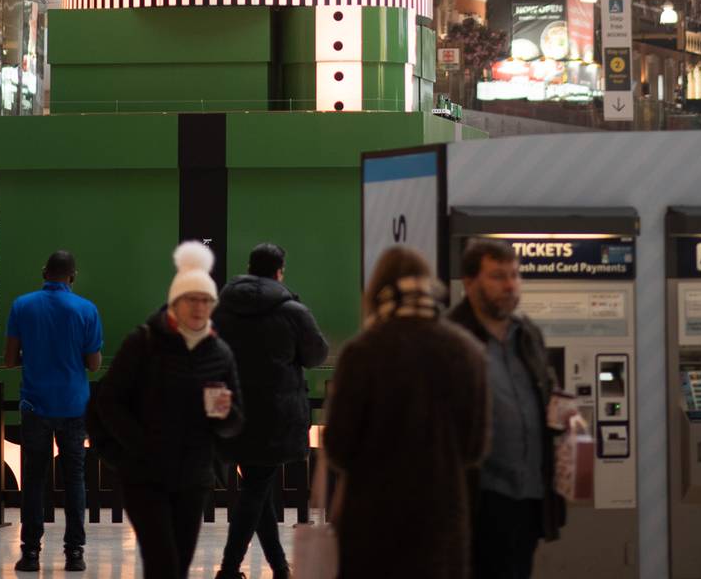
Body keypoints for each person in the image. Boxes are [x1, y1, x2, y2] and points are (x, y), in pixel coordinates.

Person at [323, 245, 488, 579]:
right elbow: (474, 449)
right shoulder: (467, 350)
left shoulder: (363, 351)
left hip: (373, 525)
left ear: (377, 292)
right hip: (442, 522)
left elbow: (339, 447)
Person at [88, 241, 244, 579]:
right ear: (175, 302)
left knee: (180, 565)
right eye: (192, 299)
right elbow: (108, 401)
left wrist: (224, 414)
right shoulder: (143, 343)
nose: (199, 307)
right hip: (146, 478)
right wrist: (138, 447)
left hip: (194, 478)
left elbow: (234, 423)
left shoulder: (220, 353)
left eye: (206, 300)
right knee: (163, 566)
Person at [450, 237, 565, 579]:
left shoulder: (527, 335)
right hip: (478, 501)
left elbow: (544, 395)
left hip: (528, 497)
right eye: (498, 276)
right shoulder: (450, 339)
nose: (510, 285)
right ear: (470, 283)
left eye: (515, 275)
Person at [212, 241, 328, 579]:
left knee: (257, 486)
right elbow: (316, 355)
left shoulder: (222, 308)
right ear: (280, 271)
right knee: (256, 488)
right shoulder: (292, 311)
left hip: (232, 411)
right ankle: (229, 568)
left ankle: (279, 567)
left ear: (249, 267)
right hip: (275, 415)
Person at [5, 249, 103, 574]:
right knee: (75, 478)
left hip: (35, 403)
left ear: (44, 272)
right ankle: (74, 552)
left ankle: (30, 552)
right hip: (74, 404)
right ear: (72, 276)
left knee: (34, 478)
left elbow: (9, 359)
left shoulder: (22, 306)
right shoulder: (87, 309)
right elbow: (93, 363)